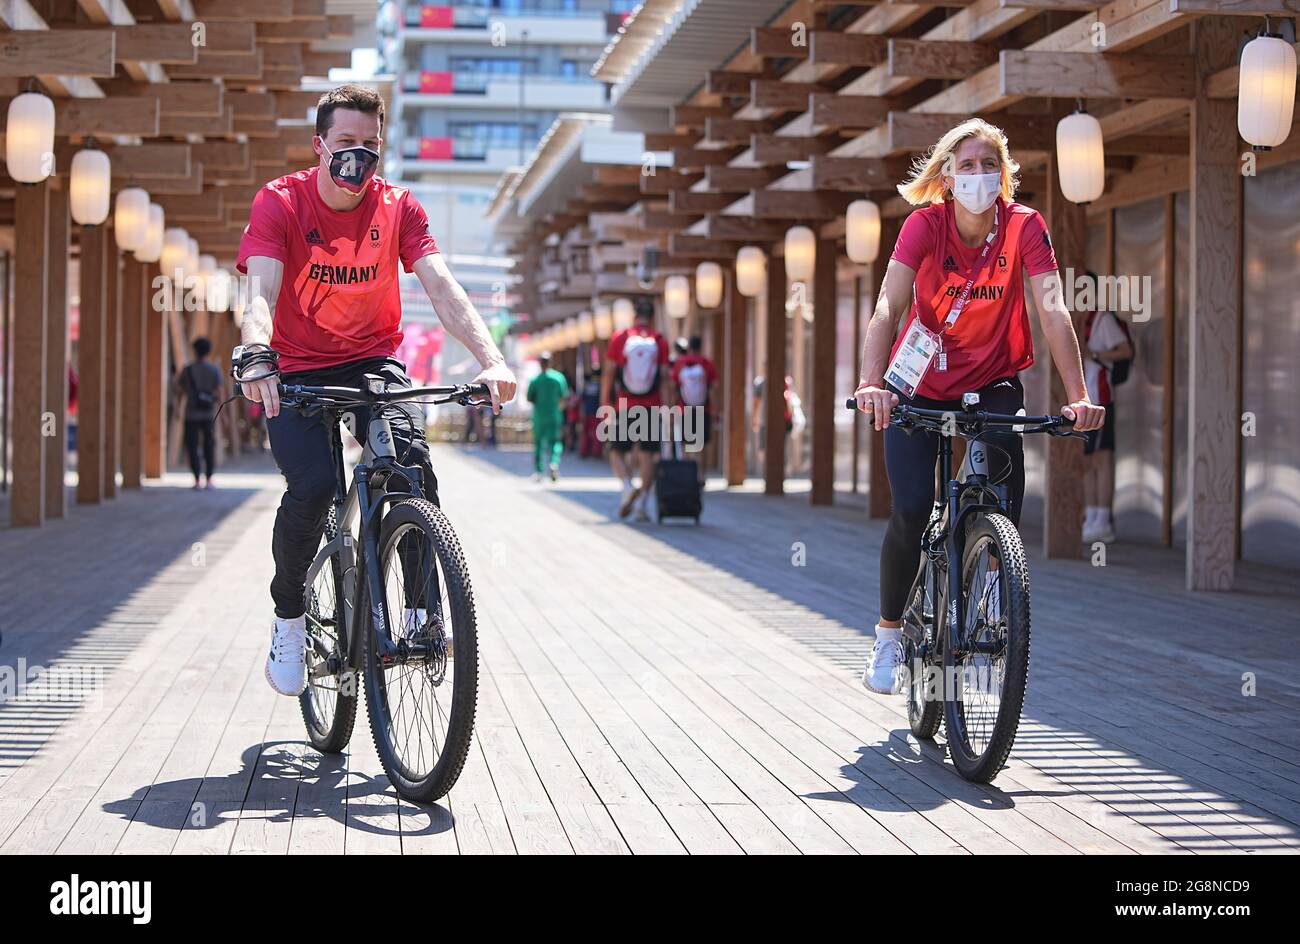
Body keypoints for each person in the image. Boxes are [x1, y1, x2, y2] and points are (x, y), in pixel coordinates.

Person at [234, 85, 516, 697]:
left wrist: (491, 359)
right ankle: (289, 617)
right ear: (319, 146)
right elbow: (259, 290)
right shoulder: (281, 202)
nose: (356, 156)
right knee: (312, 488)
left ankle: (417, 613)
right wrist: (257, 357)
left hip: (372, 360)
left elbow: (441, 286)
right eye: (344, 143)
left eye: (369, 145)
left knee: (411, 467)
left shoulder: (399, 208)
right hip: (296, 366)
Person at [851, 117, 1104, 695]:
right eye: (967, 165)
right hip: (916, 381)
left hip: (992, 379)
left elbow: (1053, 310)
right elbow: (888, 308)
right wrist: (872, 382)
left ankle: (988, 596)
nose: (979, 175)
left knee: (1002, 494)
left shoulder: (1024, 227)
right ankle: (889, 636)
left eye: (990, 164)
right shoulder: (924, 226)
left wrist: (1079, 396)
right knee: (913, 509)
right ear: (946, 177)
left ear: (1005, 176)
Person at [600, 297, 669, 521]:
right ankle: (642, 504)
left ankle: (628, 487)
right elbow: (666, 378)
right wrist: (667, 408)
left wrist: (605, 401)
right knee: (648, 453)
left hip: (625, 405)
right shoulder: (659, 340)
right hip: (652, 406)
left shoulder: (620, 338)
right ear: (652, 317)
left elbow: (609, 373)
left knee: (616, 450)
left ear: (634, 316)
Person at [1079, 276, 1132, 544]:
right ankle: (1091, 515)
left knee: (1101, 457)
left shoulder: (1101, 318)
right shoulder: (1075, 318)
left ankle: (1103, 518)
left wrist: (1096, 355)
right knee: (1087, 461)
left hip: (1100, 396)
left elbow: (1125, 350)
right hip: (1080, 399)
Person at [174, 336, 226, 489]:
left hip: (191, 414)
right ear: (209, 351)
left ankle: (197, 479)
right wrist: (224, 416)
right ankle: (209, 478)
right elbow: (220, 392)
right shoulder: (214, 370)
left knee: (192, 446)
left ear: (194, 351)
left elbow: (180, 392)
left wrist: (178, 409)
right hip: (209, 414)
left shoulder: (187, 370)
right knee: (209, 445)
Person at [671, 335, 717, 473]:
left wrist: (671, 409)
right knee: (701, 445)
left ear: (689, 347)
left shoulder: (680, 364)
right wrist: (715, 409)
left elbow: (674, 388)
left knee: (685, 444)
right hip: (704, 409)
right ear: (701, 346)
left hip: (684, 409)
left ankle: (686, 475)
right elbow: (713, 389)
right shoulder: (707, 363)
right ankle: (701, 476)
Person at [527, 351, 568, 482]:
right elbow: (564, 398)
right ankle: (554, 463)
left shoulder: (535, 380)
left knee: (538, 444)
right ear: (551, 362)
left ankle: (539, 471)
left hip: (539, 416)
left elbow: (530, 398)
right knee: (555, 442)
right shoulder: (559, 378)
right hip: (554, 414)